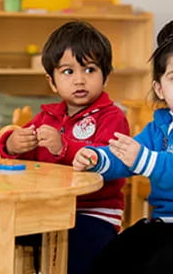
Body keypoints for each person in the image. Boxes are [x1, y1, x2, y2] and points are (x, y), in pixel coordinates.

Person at [0, 21, 129, 274]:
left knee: (77, 251)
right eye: (68, 72)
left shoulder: (112, 117)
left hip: (93, 213)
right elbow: (11, 152)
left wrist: (64, 147)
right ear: (52, 81)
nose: (79, 80)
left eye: (89, 69)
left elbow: (108, 161)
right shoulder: (47, 116)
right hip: (47, 209)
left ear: (106, 75)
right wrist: (12, 143)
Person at [73, 20, 173, 274]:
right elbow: (124, 154)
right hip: (162, 224)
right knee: (109, 260)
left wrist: (145, 160)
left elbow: (143, 159)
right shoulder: (159, 128)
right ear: (159, 89)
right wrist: (97, 158)